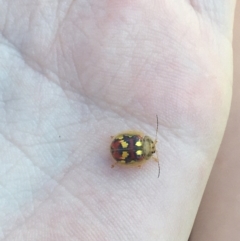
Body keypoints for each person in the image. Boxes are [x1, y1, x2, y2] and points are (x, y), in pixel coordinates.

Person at [0, 0, 237, 240]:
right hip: (118, 152)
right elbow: (132, 156)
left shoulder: (141, 146)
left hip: (119, 150)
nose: (150, 145)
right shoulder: (143, 155)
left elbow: (130, 142)